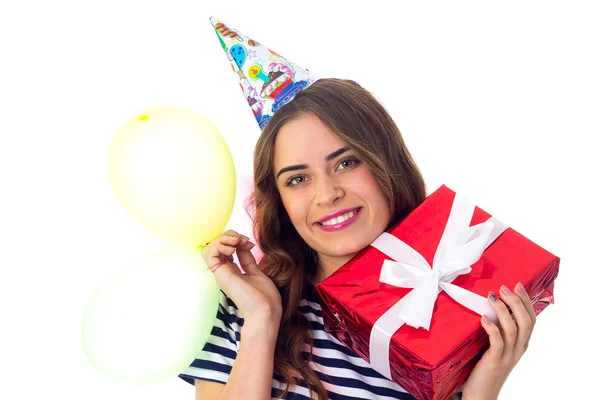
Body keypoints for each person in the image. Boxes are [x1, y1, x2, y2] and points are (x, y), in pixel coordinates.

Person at [178, 79, 538, 400]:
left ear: (385, 163)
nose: (327, 194)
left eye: (346, 163)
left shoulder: (449, 312)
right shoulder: (242, 307)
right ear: (281, 200)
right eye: (298, 180)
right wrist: (262, 319)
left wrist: (481, 394)